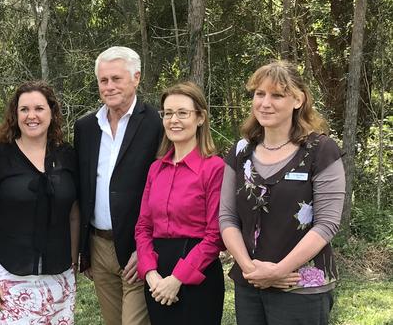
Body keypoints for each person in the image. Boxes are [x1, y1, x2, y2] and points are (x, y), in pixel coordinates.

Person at [219, 60, 345, 325]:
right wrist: (250, 268)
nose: (265, 103)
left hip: (300, 286)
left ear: (298, 100)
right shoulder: (241, 151)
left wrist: (279, 270)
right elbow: (227, 217)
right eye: (259, 94)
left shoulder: (321, 151)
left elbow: (327, 224)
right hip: (250, 284)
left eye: (277, 95)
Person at [0, 81, 79, 324]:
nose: (32, 116)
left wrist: (72, 264)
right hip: (8, 275)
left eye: (39, 109)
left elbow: (74, 213)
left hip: (59, 275)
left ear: (52, 113)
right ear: (15, 114)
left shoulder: (67, 156)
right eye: (24, 109)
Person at [74, 46, 162, 325]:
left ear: (136, 78)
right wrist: (84, 251)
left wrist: (146, 248)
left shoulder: (156, 123)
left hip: (137, 248)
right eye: (103, 80)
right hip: (98, 246)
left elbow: (162, 190)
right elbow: (83, 186)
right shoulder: (86, 126)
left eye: (116, 79)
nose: (109, 87)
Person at [135, 82, 225, 324]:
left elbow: (215, 234)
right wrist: (150, 273)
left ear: (200, 118)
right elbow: (143, 227)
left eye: (182, 113)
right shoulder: (156, 169)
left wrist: (177, 278)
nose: (174, 120)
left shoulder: (214, 167)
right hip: (157, 275)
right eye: (168, 113)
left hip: (198, 273)